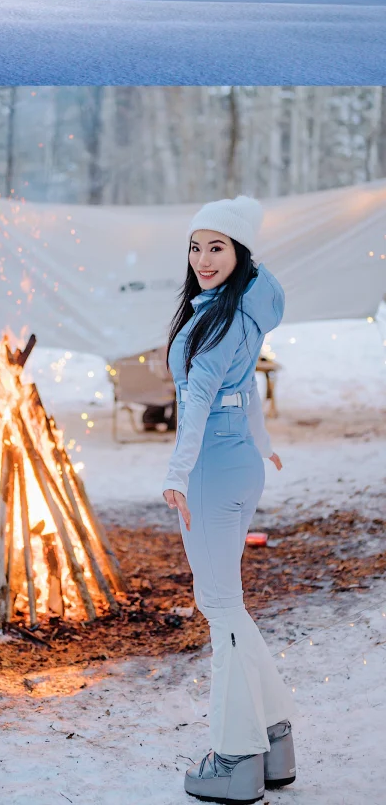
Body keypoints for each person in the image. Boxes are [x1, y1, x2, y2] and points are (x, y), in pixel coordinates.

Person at [162, 197, 296, 802]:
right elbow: (247, 395)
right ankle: (273, 737)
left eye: (217, 247)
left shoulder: (219, 321)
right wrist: (262, 444)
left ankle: (237, 756)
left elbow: (197, 401)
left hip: (212, 470)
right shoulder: (239, 312)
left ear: (240, 252)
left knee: (218, 608)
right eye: (196, 246)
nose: (203, 259)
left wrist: (176, 471)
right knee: (229, 607)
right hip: (237, 463)